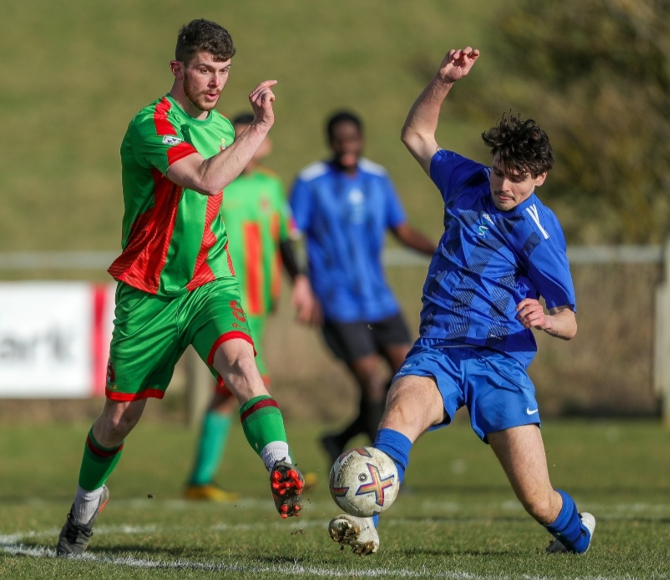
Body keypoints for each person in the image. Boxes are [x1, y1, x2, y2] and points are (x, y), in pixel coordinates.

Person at [327, 47, 596, 556]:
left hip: (499, 362)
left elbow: (571, 321)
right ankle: (365, 523)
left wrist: (546, 317)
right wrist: (444, 81)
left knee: (538, 500)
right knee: (399, 414)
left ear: (539, 178)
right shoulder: (467, 181)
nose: (504, 185)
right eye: (499, 171)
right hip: (439, 349)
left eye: (517, 177)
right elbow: (416, 136)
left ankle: (577, 533)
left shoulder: (540, 233)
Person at [56, 19, 305, 557]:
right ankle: (85, 503)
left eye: (224, 72)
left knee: (242, 364)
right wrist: (257, 131)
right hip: (148, 291)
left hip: (207, 282)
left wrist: (247, 135)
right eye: (204, 70)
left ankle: (280, 463)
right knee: (119, 419)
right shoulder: (152, 124)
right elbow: (207, 179)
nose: (215, 82)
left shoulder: (222, 130)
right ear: (178, 68)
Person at [289, 110, 436, 468]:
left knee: (410, 376)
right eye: (340, 140)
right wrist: (301, 283)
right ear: (331, 142)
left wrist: (443, 251)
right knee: (371, 381)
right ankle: (380, 469)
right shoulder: (311, 183)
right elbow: (287, 235)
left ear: (361, 139)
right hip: (336, 301)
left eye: (352, 139)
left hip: (378, 298)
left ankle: (339, 438)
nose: (347, 147)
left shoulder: (377, 179)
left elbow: (400, 230)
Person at [184, 112, 319, 501]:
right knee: (249, 382)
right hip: (226, 300)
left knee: (231, 389)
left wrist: (302, 283)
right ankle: (281, 465)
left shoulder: (271, 185)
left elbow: (283, 239)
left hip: (261, 303)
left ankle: (201, 478)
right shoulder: (215, 186)